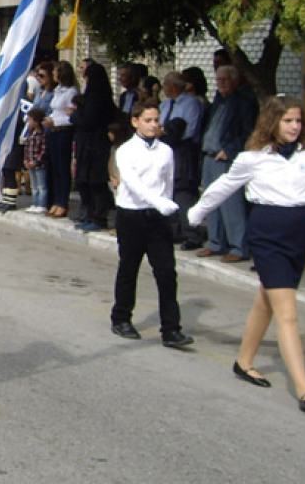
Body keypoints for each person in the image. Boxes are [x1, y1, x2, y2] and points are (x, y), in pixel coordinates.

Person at [188, 96, 305, 412]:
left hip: (298, 235)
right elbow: (223, 186)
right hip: (267, 235)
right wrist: (197, 212)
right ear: (272, 122)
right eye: (288, 121)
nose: (295, 127)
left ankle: (244, 361)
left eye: (298, 121)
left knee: (267, 301)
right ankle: (304, 388)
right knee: (288, 312)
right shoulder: (252, 158)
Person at [110, 101, 195, 348]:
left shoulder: (165, 151)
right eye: (148, 120)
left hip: (157, 217)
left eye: (156, 120)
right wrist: (158, 201)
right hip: (132, 214)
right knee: (129, 267)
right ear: (135, 122)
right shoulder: (126, 151)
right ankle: (121, 318)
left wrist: (165, 204)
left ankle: (171, 328)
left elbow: (167, 182)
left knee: (166, 272)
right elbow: (132, 182)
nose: (153, 125)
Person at [197, 65, 258, 263]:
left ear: (236, 80)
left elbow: (248, 131)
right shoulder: (218, 101)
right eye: (219, 80)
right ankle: (216, 243)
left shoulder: (243, 102)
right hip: (209, 156)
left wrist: (230, 150)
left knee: (232, 205)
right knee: (211, 200)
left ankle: (239, 247)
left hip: (226, 158)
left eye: (226, 80)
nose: (221, 83)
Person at [159, 71, 205, 249]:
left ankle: (191, 233)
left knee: (184, 191)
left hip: (183, 150)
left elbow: (188, 130)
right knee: (170, 189)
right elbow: (159, 126)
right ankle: (174, 230)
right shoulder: (165, 105)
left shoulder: (191, 103)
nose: (164, 88)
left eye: (166, 85)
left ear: (174, 86)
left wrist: (166, 131)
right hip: (166, 148)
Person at [71, 63, 117, 231]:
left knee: (95, 183)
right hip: (87, 144)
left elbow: (87, 121)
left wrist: (75, 115)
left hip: (95, 146)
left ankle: (98, 218)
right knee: (84, 182)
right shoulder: (91, 97)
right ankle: (90, 215)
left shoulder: (96, 99)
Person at [42, 61, 77, 217]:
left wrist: (55, 122)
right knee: (53, 168)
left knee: (62, 168)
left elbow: (70, 116)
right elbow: (56, 110)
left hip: (63, 130)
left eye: (56, 71)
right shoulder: (57, 90)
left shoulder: (71, 92)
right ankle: (54, 201)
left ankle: (62, 202)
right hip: (52, 130)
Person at [23, 107, 49, 214]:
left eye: (30, 119)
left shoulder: (42, 134)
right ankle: (34, 203)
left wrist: (36, 161)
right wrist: (26, 160)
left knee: (41, 185)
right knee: (34, 185)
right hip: (30, 162)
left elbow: (43, 150)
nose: (29, 122)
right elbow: (27, 147)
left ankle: (42, 204)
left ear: (36, 121)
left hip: (39, 164)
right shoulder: (30, 134)